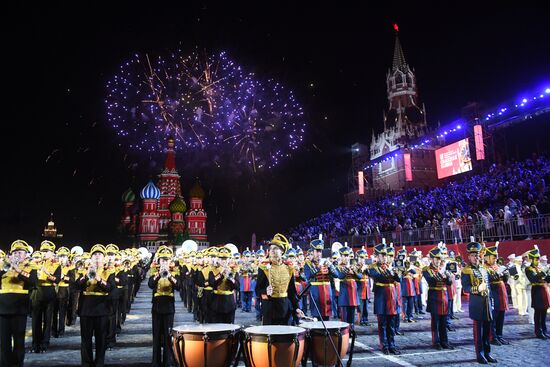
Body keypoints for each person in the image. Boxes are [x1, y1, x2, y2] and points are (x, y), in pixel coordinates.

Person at [76, 244, 116, 367]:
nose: (97, 257)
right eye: (94, 255)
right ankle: (86, 363)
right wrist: (85, 276)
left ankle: (99, 363)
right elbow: (76, 286)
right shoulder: (83, 270)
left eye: (99, 255)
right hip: (86, 310)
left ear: (103, 259)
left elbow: (110, 288)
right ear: (91, 258)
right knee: (86, 340)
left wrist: (99, 279)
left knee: (101, 339)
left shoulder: (109, 271)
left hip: (102, 309)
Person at [0, 240, 38, 367]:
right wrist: (5, 267)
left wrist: (18, 270)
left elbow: (33, 282)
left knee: (18, 340)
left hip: (19, 308)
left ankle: (17, 364)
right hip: (2, 307)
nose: (17, 255)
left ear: (25, 255)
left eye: (20, 252)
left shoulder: (30, 267)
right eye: (15, 252)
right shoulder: (2, 266)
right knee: (3, 341)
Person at [255, 233, 304, 325]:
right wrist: (265, 291)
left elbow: (292, 291)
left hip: (285, 309)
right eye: (271, 248)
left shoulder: (289, 268)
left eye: (275, 248)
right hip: (269, 309)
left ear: (282, 251)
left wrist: (296, 307)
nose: (272, 251)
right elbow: (257, 290)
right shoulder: (263, 268)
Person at [461, 242, 497, 364]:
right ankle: (480, 354)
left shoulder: (483, 269)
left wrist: (491, 300)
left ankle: (487, 353)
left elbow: (489, 286)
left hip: (487, 303)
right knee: (479, 332)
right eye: (473, 255)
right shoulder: (466, 271)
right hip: (477, 303)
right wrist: (477, 289)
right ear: (469, 257)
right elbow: (466, 288)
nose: (476, 258)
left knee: (487, 331)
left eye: (477, 255)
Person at [148, 245, 180, 367]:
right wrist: (158, 274)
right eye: (162, 260)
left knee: (168, 336)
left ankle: (168, 362)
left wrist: (170, 276)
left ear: (170, 261)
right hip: (156, 306)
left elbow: (179, 287)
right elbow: (150, 284)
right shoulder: (153, 271)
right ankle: (155, 362)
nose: (165, 262)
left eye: (166, 260)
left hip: (169, 306)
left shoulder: (174, 272)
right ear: (159, 261)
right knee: (156, 336)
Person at [369, 242, 401, 355]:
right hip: (381, 298)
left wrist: (396, 273)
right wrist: (390, 272)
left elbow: (399, 280)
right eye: (382, 255)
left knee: (391, 324)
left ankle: (392, 345)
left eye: (385, 255)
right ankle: (384, 345)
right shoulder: (372, 267)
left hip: (392, 298)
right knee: (382, 324)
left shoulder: (390, 267)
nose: (384, 257)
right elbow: (379, 277)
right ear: (377, 256)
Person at [32, 240, 61, 353]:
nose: (44, 253)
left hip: (49, 292)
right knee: (36, 320)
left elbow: (57, 280)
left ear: (52, 253)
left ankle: (45, 343)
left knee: (48, 320)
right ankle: (35, 344)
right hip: (37, 292)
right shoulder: (35, 264)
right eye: (42, 251)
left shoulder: (56, 265)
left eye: (46, 251)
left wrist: (47, 273)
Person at [422, 246, 453, 350]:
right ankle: (436, 342)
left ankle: (445, 341)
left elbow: (449, 283)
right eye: (437, 258)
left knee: (444, 321)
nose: (439, 261)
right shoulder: (427, 269)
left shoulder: (442, 269)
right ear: (432, 259)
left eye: (440, 259)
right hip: (434, 297)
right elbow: (431, 280)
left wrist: (448, 276)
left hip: (444, 297)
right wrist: (441, 274)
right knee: (435, 322)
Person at [303, 238, 339, 321]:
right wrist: (318, 269)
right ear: (313, 252)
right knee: (317, 316)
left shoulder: (326, 262)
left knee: (327, 317)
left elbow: (336, 275)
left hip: (327, 292)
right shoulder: (308, 264)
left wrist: (330, 266)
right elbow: (308, 276)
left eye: (320, 251)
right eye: (317, 251)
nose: (319, 253)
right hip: (316, 292)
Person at [483, 243, 510, 345]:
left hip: (501, 293)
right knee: (494, 316)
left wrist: (505, 275)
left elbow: (504, 279)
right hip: (493, 293)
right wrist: (498, 274)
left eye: (495, 257)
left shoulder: (497, 266)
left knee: (501, 316)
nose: (495, 259)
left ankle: (499, 335)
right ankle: (492, 337)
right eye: (493, 257)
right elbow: (488, 279)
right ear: (487, 257)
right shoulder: (484, 268)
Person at [524, 245, 550, 339]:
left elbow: (546, 279)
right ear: (531, 259)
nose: (538, 261)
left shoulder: (539, 268)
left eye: (538, 259)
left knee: (544, 313)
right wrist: (543, 272)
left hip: (544, 290)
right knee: (538, 313)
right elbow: (534, 279)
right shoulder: (529, 269)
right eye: (536, 259)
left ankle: (544, 330)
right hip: (537, 292)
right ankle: (538, 332)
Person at [209, 247, 237, 323]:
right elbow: (212, 283)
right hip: (217, 301)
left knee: (229, 326)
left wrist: (230, 277)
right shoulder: (213, 271)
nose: (224, 261)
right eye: (221, 258)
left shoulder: (233, 271)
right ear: (218, 259)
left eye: (226, 259)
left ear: (229, 259)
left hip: (229, 301)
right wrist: (221, 273)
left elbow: (237, 286)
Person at [336, 246, 361, 327]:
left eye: (348, 256)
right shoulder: (338, 267)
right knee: (345, 317)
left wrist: (354, 272)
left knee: (352, 316)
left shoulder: (353, 266)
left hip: (353, 294)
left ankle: (351, 331)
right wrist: (347, 269)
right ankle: (345, 333)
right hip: (345, 294)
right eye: (345, 256)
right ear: (341, 256)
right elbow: (339, 276)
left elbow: (360, 277)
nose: (347, 258)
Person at [52, 246, 72, 338]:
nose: (62, 258)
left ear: (67, 258)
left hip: (63, 290)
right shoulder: (54, 266)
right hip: (54, 289)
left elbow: (72, 280)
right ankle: (53, 330)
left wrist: (63, 276)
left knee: (62, 311)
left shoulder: (70, 268)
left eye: (64, 256)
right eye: (60, 256)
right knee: (53, 311)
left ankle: (61, 330)